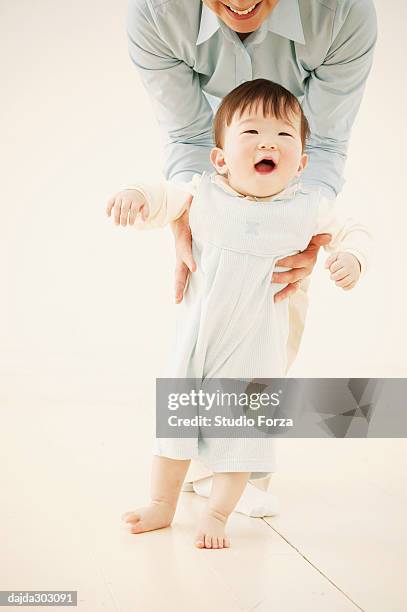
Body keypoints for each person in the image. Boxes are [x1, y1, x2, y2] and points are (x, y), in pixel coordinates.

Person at [125, 0, 377, 504]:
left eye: (282, 135)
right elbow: (185, 144)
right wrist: (156, 205)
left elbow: (326, 150)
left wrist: (328, 245)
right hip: (210, 291)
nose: (240, 3)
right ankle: (174, 485)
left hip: (276, 270)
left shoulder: (342, 13)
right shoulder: (156, 15)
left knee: (267, 360)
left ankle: (238, 476)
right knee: (186, 378)